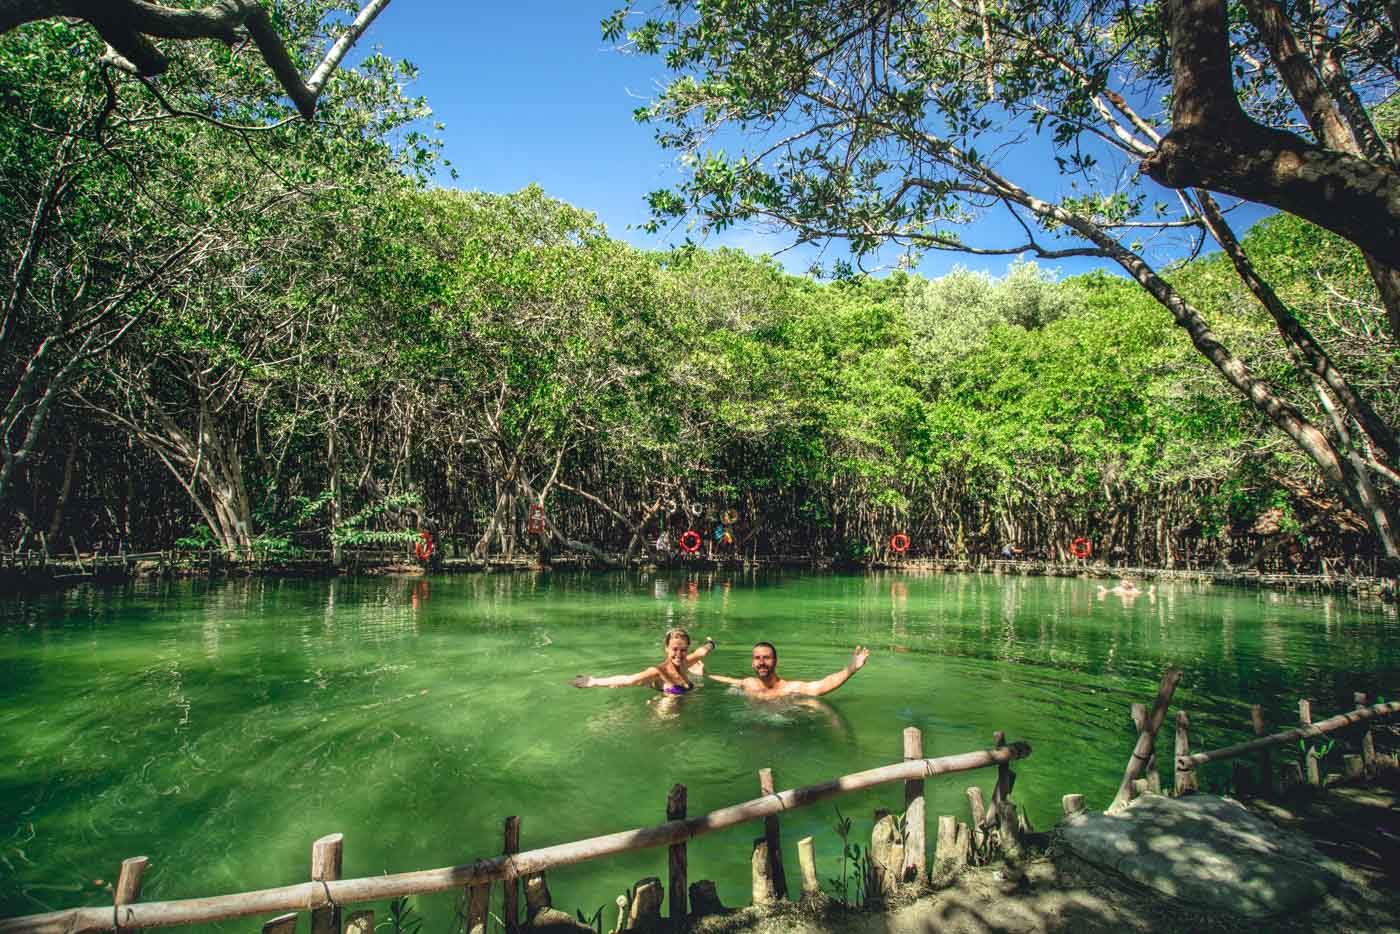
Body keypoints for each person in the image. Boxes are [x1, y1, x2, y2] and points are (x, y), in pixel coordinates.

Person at [571, 628, 715, 694]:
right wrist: (594, 681)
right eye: (674, 649)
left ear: (687, 648)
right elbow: (629, 680)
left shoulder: (686, 662)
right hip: (664, 707)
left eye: (683, 650)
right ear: (666, 648)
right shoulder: (659, 671)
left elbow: (702, 652)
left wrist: (711, 643)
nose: (678, 654)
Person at [708, 642, 870, 699]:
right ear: (752, 663)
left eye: (766, 658)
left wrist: (851, 668)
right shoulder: (749, 684)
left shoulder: (791, 688)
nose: (762, 662)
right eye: (757, 658)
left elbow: (822, 686)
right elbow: (727, 680)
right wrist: (704, 675)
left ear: (776, 661)